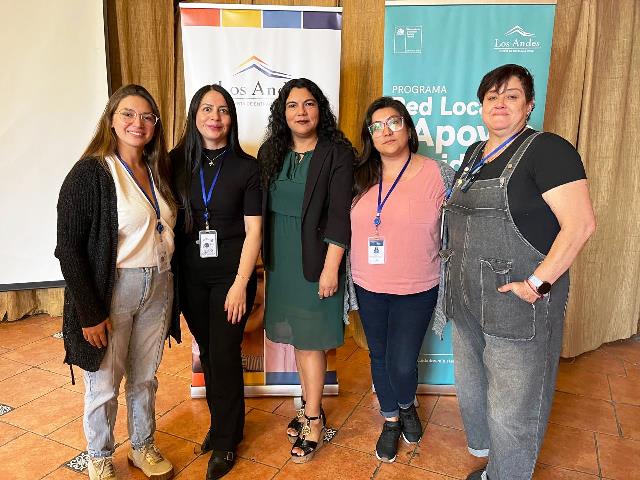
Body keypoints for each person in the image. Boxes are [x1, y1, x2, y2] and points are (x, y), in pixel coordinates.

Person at [442, 64, 596, 480]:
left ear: (529, 106)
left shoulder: (548, 150)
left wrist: (537, 284)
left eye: (511, 96)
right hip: (468, 298)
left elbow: (581, 224)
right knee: (476, 387)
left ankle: (507, 475)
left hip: (518, 302)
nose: (500, 103)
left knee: (514, 404)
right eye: (492, 96)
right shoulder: (475, 153)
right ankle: (492, 463)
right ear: (481, 106)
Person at [55, 84, 178, 480]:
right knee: (104, 382)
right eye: (128, 114)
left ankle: (142, 446)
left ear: (155, 125)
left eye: (147, 117)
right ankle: (99, 456)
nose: (137, 123)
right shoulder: (90, 173)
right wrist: (90, 314)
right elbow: (69, 249)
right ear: (111, 120)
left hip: (159, 284)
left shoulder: (158, 169)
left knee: (144, 377)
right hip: (113, 290)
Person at [350, 97, 453, 463]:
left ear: (408, 128)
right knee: (379, 354)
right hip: (368, 284)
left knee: (403, 362)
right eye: (376, 126)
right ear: (370, 137)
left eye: (393, 122)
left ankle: (407, 404)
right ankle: (391, 419)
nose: (386, 131)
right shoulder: (358, 176)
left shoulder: (438, 173)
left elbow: (460, 228)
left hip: (418, 285)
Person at [258, 78, 354, 463]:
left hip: (316, 262)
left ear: (320, 110)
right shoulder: (271, 151)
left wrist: (331, 268)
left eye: (309, 103)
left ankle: (313, 418)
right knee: (301, 340)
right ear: (283, 113)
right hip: (281, 262)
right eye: (293, 105)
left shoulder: (336, 153)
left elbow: (340, 215)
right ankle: (308, 405)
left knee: (312, 342)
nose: (301, 112)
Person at [170, 84, 262, 480]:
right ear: (195, 115)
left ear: (231, 118)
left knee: (224, 354)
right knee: (208, 353)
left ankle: (226, 442)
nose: (215, 117)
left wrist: (241, 284)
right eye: (207, 109)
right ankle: (225, 425)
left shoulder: (246, 168)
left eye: (223, 110)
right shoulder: (174, 163)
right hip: (190, 276)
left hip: (231, 277)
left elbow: (254, 232)